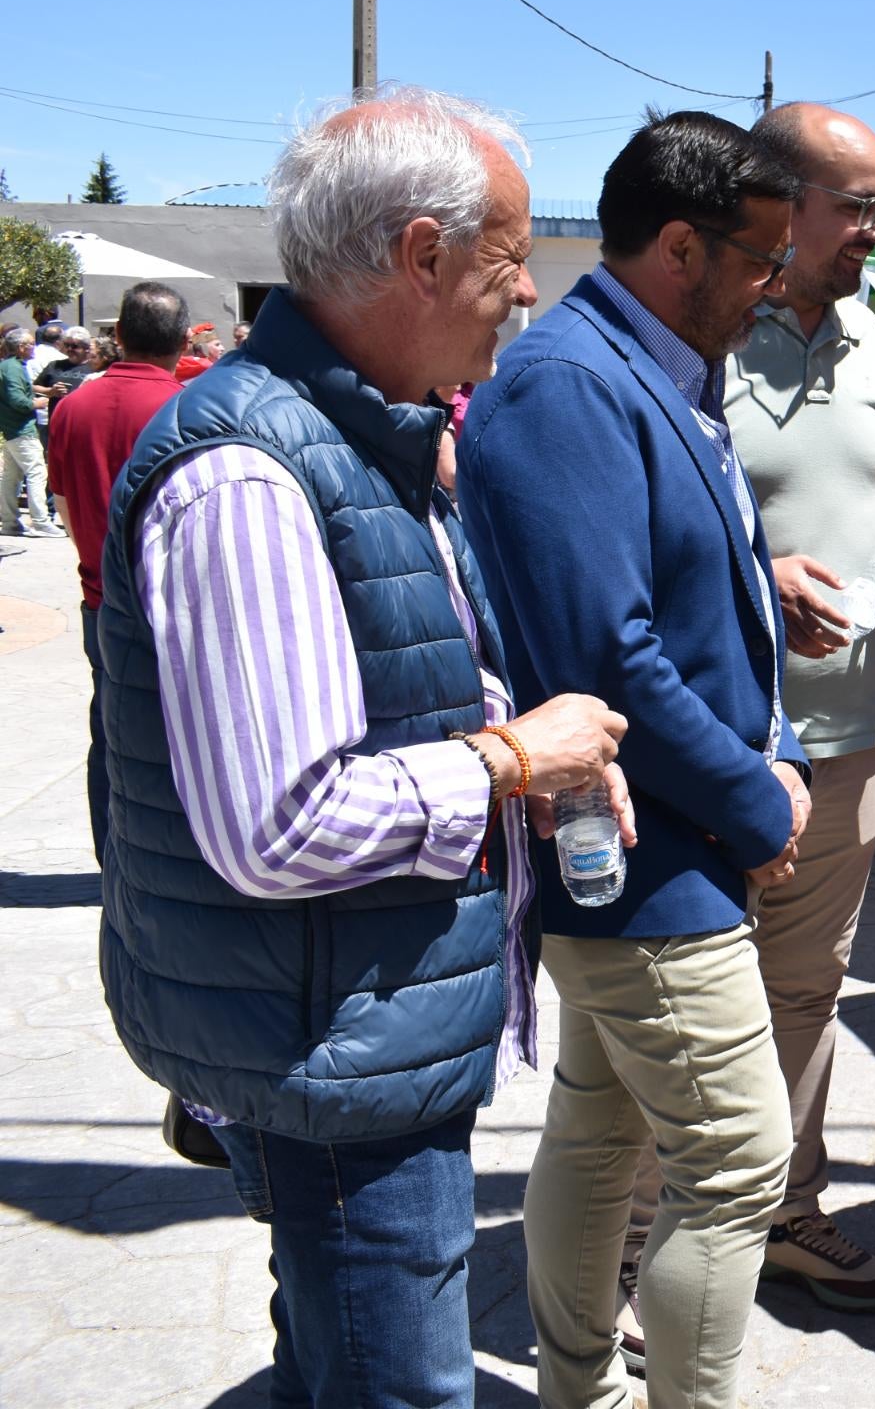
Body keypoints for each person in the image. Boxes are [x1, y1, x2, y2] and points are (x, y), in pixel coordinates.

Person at [94, 86, 632, 1408]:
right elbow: (279, 823)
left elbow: (390, 676)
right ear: (422, 257)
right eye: (511, 261)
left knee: (335, 1363)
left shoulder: (361, 441)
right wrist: (511, 764)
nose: (523, 295)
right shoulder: (250, 472)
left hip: (353, 1026)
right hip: (331, 1052)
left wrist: (515, 733)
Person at [458, 109, 812, 1409]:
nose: (774, 290)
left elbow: (651, 584)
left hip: (653, 853)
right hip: (644, 858)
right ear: (681, 246)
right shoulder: (571, 382)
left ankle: (578, 1391)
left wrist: (770, 590)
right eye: (763, 262)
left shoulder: (648, 370)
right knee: (735, 1168)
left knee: (600, 1131)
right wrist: (755, 796)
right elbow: (606, 656)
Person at [607, 104, 875, 1353]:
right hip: (715, 741)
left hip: (853, 732)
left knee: (806, 990)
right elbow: (644, 540)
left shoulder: (871, 326)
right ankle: (638, 1244)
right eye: (858, 205)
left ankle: (785, 1215)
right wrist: (768, 576)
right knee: (684, 1003)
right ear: (778, 202)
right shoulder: (691, 336)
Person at [47, 283, 187, 864]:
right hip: (169, 605)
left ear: (119, 337)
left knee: (109, 729)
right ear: (182, 342)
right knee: (180, 739)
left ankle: (114, 856)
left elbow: (59, 499)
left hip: (98, 598)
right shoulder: (186, 405)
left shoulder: (72, 405)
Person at [0, 327, 63, 536]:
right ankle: (41, 521)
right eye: (29, 343)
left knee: (12, 475)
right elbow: (17, 399)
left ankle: (10, 522)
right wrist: (36, 403)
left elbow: (24, 388)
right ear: (20, 347)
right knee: (37, 472)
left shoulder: (11, 366)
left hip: (11, 430)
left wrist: (46, 391)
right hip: (22, 429)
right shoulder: (13, 368)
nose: (33, 346)